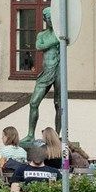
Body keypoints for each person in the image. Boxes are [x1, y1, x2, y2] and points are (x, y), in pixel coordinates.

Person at [27, 8, 61, 137]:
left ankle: (57, 135)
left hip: (58, 70)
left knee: (58, 104)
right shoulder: (42, 35)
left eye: (52, 17)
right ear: (45, 19)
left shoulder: (61, 33)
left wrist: (55, 41)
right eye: (48, 18)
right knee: (33, 102)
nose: (51, 20)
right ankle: (30, 134)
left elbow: (66, 41)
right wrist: (56, 41)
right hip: (46, 72)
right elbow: (39, 46)